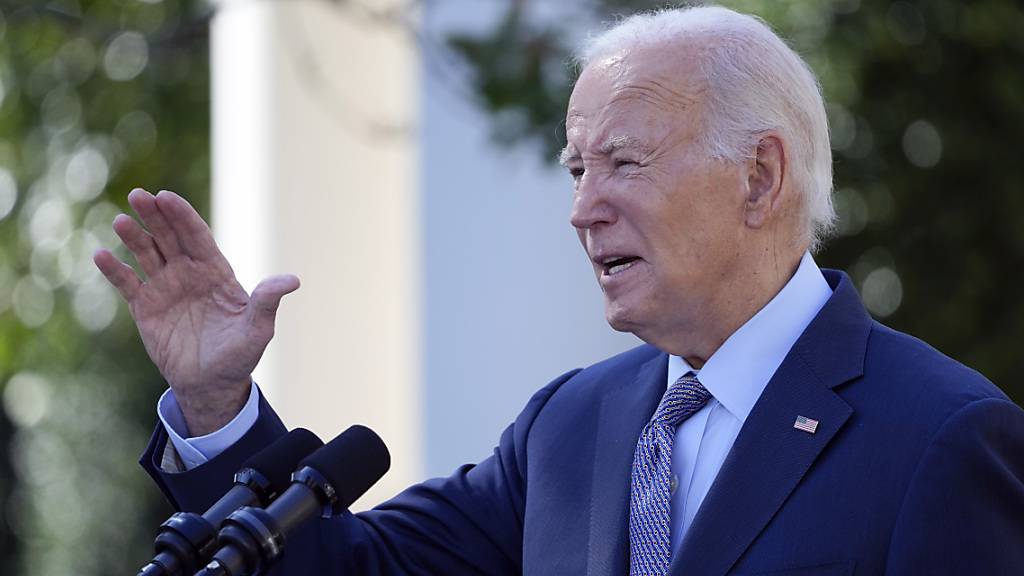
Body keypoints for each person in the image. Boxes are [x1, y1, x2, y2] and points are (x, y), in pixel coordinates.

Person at [95, 6, 1024, 575]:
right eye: (577, 168)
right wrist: (217, 403)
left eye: (623, 161)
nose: (584, 209)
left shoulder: (939, 438)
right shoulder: (570, 429)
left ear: (760, 177)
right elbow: (352, 569)